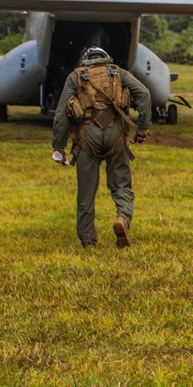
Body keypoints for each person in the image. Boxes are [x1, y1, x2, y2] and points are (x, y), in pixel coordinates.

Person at [52, 46, 151, 248]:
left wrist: (59, 146)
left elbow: (61, 114)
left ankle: (89, 242)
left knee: (86, 194)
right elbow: (144, 94)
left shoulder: (75, 77)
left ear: (85, 61)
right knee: (122, 186)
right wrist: (142, 128)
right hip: (116, 133)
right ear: (107, 59)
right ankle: (122, 218)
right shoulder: (119, 73)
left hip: (87, 136)